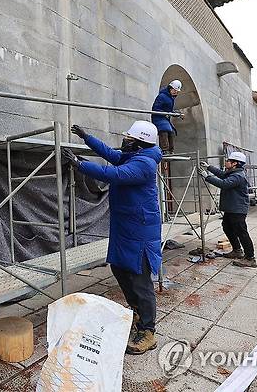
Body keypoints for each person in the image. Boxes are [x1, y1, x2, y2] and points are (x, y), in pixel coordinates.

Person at [62, 121, 163, 355]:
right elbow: (110, 154)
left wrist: (80, 164)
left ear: (139, 142)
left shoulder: (144, 163)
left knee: (140, 279)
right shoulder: (133, 155)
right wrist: (87, 137)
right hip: (124, 227)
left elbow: (114, 174)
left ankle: (148, 331)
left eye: (129, 137)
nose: (125, 139)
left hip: (140, 230)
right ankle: (136, 311)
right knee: (118, 268)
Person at [200, 152, 256, 268]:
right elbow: (222, 174)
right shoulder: (233, 172)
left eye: (228, 160)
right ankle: (237, 250)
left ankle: (250, 258)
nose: (226, 162)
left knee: (242, 233)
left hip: (238, 209)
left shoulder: (238, 176)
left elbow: (224, 184)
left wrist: (207, 176)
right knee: (227, 227)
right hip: (232, 208)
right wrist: (208, 167)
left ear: (235, 163)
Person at [152, 80, 182, 154]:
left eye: (177, 91)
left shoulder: (170, 98)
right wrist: (166, 113)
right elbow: (156, 108)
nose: (176, 92)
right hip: (158, 118)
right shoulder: (162, 96)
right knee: (164, 130)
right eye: (174, 90)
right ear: (170, 88)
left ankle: (171, 150)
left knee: (171, 132)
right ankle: (164, 150)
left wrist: (177, 114)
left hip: (165, 118)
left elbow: (170, 110)